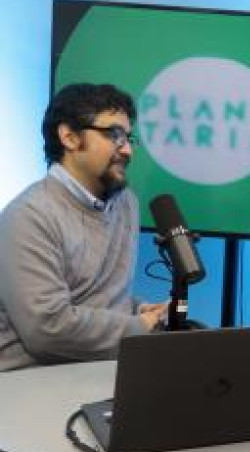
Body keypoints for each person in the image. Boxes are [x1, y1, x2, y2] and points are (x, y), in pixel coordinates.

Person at [0, 83, 168, 371]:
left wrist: (135, 308)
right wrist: (137, 327)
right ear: (69, 137)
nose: (127, 150)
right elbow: (47, 329)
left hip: (103, 368)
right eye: (114, 135)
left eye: (129, 137)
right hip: (30, 379)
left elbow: (95, 298)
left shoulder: (125, 203)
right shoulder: (28, 216)